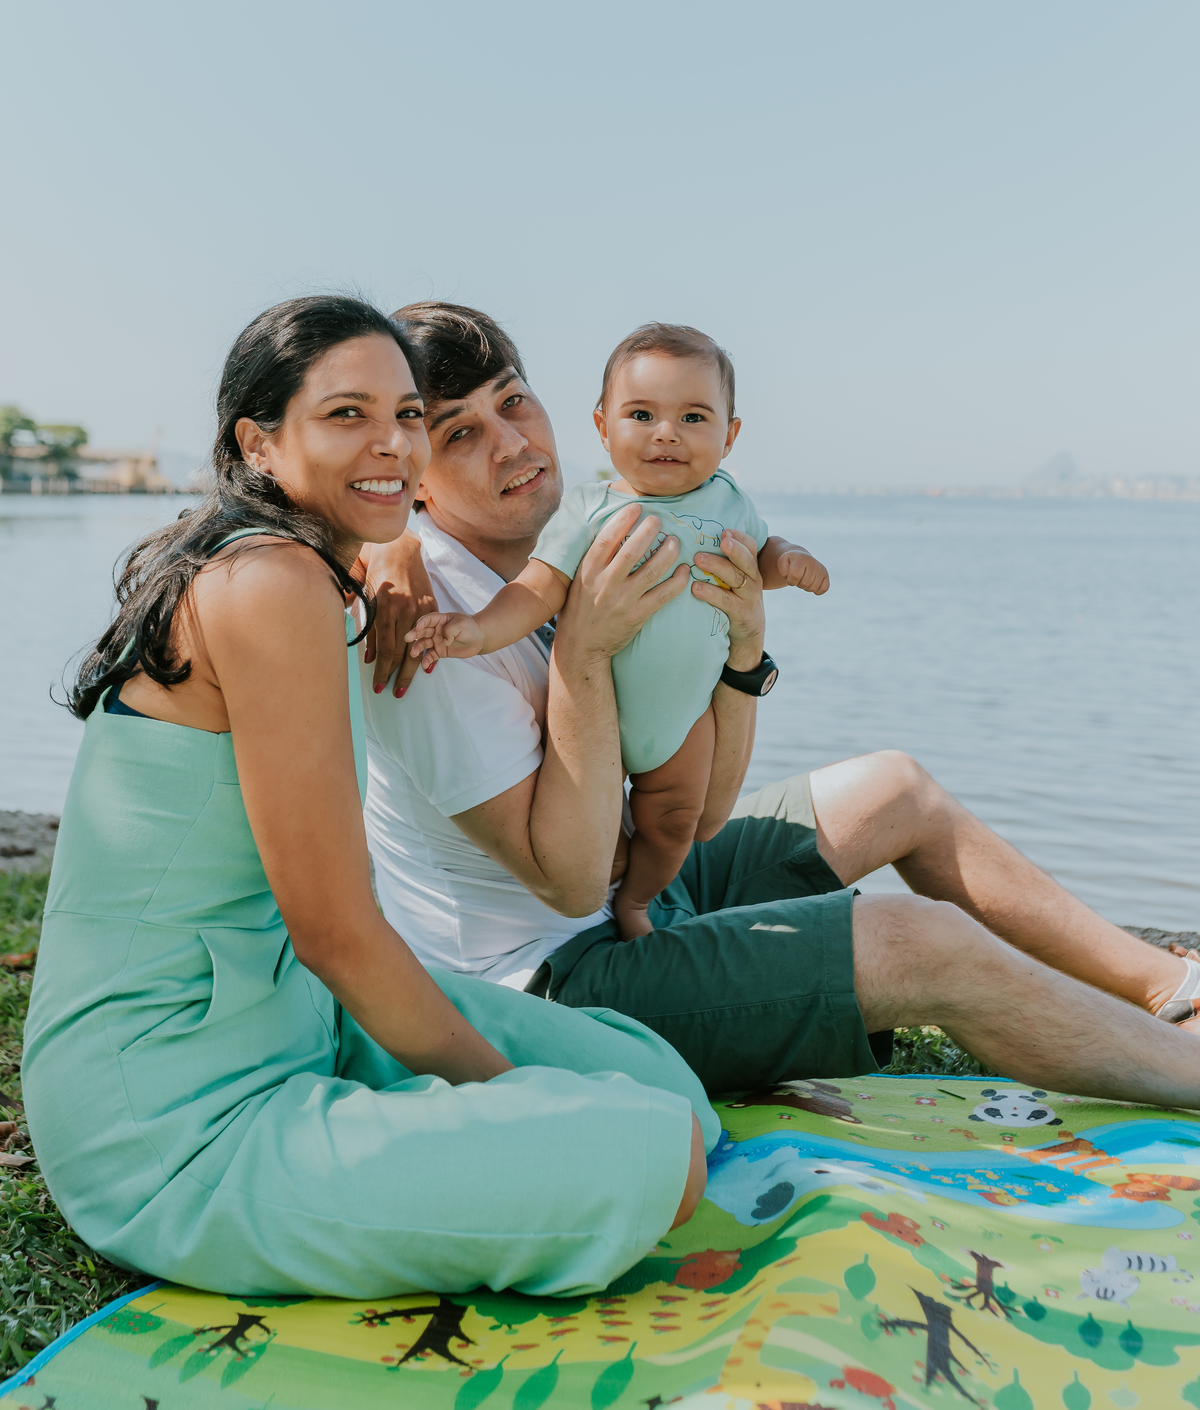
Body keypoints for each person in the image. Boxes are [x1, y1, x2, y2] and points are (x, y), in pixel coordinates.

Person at [22, 295, 713, 1300]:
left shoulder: (316, 569)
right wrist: (511, 1100)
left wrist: (389, 551)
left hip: (300, 1025)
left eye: (407, 416)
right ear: (258, 441)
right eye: (347, 416)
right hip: (175, 1122)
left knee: (663, 1085)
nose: (394, 443)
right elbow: (337, 934)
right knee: (658, 1157)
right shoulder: (270, 586)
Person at [360, 300, 1200, 1108]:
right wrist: (580, 648)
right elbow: (572, 882)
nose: (512, 445)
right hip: (551, 984)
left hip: (640, 886)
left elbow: (712, 811)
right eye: (459, 433)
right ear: (415, 473)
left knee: (894, 787)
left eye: (514, 401)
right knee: (921, 942)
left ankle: (1173, 987)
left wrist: (744, 652)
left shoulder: (594, 520)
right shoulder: (424, 635)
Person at [404, 322, 829, 940]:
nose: (666, 434)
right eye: (642, 414)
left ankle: (640, 901)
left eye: (693, 418)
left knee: (681, 821)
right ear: (603, 427)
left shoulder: (728, 500)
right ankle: (636, 908)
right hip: (541, 942)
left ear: (730, 436)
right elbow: (536, 591)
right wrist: (474, 631)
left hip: (685, 716)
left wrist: (779, 574)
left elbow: (710, 819)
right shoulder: (588, 512)